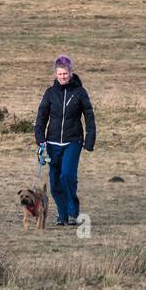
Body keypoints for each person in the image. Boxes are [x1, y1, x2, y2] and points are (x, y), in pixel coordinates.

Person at [33, 55, 96, 227]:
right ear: (56, 74)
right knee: (55, 182)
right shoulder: (50, 93)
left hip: (73, 141)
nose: (62, 77)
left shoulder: (80, 92)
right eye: (60, 74)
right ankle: (62, 215)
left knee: (67, 175)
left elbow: (89, 116)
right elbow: (41, 117)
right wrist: (40, 139)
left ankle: (73, 211)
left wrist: (89, 140)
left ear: (71, 72)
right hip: (52, 143)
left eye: (65, 74)